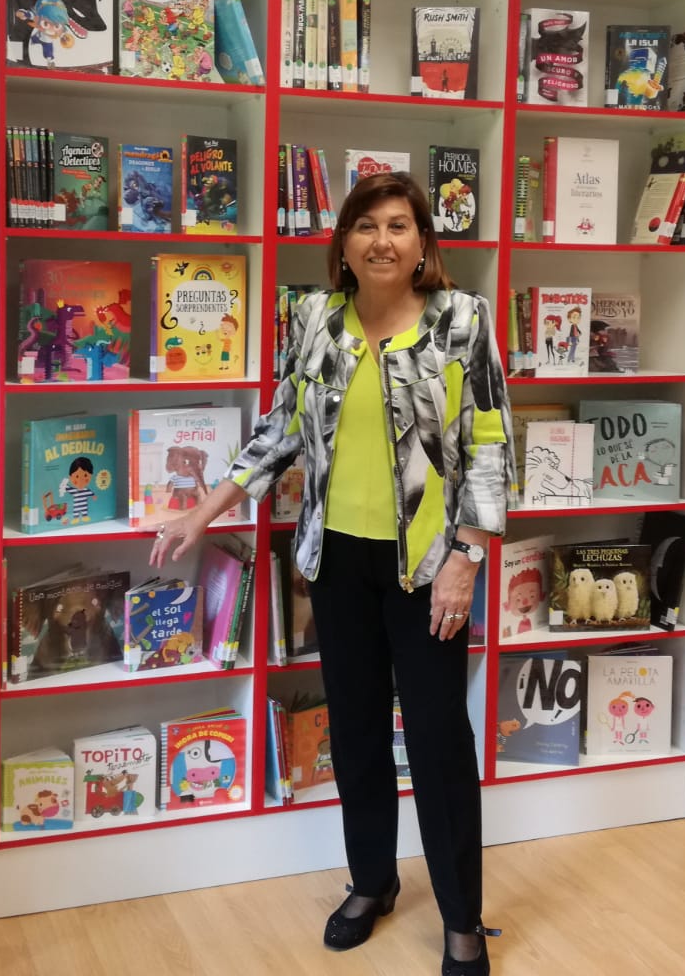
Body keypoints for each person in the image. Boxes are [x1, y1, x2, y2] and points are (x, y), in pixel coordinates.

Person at [150, 171, 514, 976]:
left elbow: (489, 442)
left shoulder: (462, 320)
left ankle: (461, 917)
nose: (382, 240)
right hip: (336, 560)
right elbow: (281, 427)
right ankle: (373, 881)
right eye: (366, 225)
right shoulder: (316, 318)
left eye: (399, 225)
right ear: (344, 242)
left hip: (429, 567)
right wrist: (204, 510)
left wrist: (468, 557)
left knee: (438, 741)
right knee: (353, 729)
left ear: (423, 242)